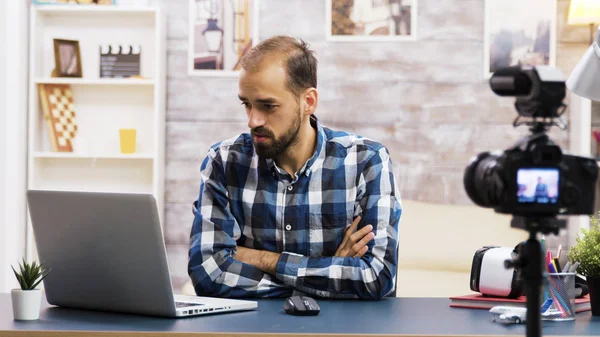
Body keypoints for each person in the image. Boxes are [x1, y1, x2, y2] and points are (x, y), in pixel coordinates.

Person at [187, 35, 402, 300]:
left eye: (268, 106)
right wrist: (330, 273)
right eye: (247, 104)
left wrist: (261, 259)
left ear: (308, 102)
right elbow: (207, 274)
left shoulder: (366, 161)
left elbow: (375, 277)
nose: (253, 120)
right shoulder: (223, 161)